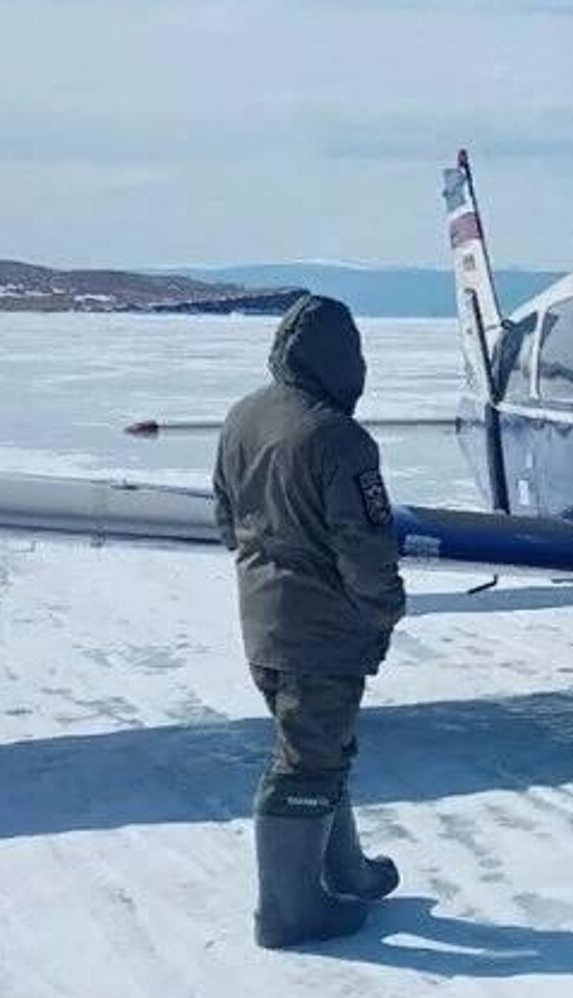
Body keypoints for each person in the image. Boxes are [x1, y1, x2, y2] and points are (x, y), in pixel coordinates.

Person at [212, 294, 406, 949]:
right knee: (306, 761)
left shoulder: (243, 416)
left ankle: (341, 869)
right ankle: (289, 912)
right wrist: (383, 610)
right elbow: (366, 547)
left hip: (264, 624)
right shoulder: (338, 438)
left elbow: (225, 517)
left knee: (323, 746)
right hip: (320, 633)